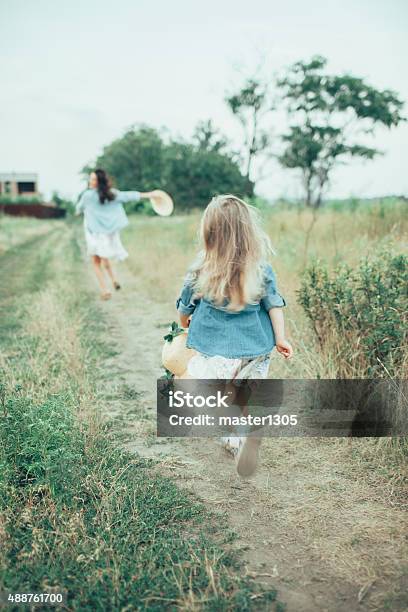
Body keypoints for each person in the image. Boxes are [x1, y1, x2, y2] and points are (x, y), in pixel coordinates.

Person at [175, 194, 293, 477]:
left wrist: (184, 323)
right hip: (256, 349)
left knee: (189, 388)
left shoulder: (200, 269)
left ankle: (236, 436)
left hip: (216, 351)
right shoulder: (261, 268)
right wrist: (281, 339)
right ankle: (241, 436)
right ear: (248, 231)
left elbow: (184, 309)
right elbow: (274, 305)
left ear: (208, 232)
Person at [76, 169, 156, 300]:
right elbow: (128, 196)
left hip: (94, 234)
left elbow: (79, 208)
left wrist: (78, 211)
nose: (90, 181)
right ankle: (114, 279)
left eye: (93, 179)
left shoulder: (87, 196)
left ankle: (104, 290)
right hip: (108, 234)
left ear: (98, 182)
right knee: (105, 257)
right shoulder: (111, 194)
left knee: (96, 262)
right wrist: (149, 195)